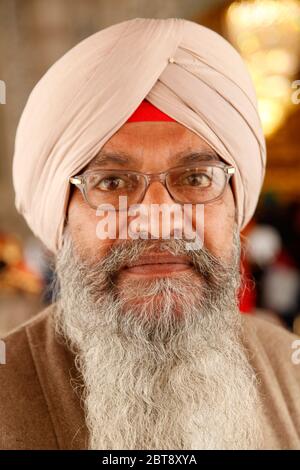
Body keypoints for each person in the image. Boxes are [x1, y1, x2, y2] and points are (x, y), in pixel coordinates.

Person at [1, 18, 299, 450]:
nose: (158, 219)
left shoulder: (289, 373)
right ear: (60, 217)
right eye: (112, 183)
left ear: (237, 206)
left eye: (196, 178)